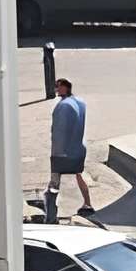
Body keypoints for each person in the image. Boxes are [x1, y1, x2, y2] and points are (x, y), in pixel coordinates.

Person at [47, 77, 94, 218]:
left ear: (65, 88)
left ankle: (51, 212)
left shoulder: (64, 106)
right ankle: (88, 203)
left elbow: (59, 131)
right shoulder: (80, 102)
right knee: (79, 175)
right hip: (78, 148)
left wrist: (56, 152)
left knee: (55, 180)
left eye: (58, 87)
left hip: (63, 151)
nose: (56, 90)